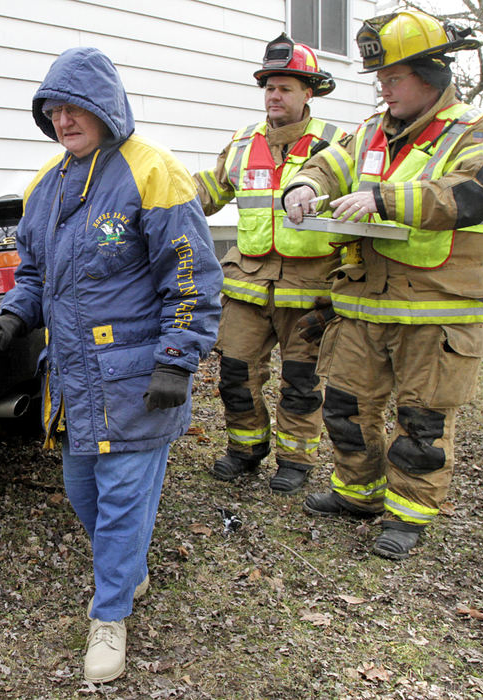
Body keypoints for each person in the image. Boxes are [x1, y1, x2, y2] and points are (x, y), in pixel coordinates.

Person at [0, 47, 222, 683]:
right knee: (82, 494)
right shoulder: (44, 185)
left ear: (105, 105)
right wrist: (14, 311)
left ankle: (110, 614)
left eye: (74, 107)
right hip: (73, 381)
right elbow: (32, 272)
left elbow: (192, 279)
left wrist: (177, 360)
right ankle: (128, 567)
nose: (64, 120)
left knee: (120, 501)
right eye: (53, 110)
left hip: (138, 379)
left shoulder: (156, 173)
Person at [284, 9, 483, 560]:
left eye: (392, 78)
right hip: (364, 303)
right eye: (379, 80)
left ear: (431, 74)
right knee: (345, 406)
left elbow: (469, 193)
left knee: (421, 423)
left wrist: (383, 198)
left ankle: (409, 515)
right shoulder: (371, 132)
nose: (383, 91)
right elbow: (327, 164)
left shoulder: (480, 131)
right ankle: (357, 494)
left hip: (439, 310)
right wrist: (303, 186)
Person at [193, 35, 348, 493]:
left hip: (311, 287)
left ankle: (296, 461)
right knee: (235, 373)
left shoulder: (338, 145)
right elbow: (208, 192)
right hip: (247, 284)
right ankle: (245, 449)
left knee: (302, 382)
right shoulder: (243, 143)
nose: (274, 96)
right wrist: (165, 194)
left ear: (309, 92)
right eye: (269, 87)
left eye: (285, 87)